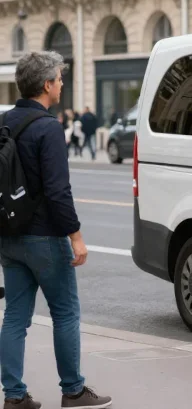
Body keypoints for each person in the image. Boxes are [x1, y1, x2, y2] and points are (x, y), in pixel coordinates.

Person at [0, 51, 112, 409]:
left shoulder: (5, 122)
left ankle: (14, 396)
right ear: (47, 85)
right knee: (65, 312)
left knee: (15, 316)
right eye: (60, 79)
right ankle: (73, 390)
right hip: (45, 236)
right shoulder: (48, 127)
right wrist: (75, 236)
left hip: (9, 234)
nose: (62, 83)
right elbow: (58, 191)